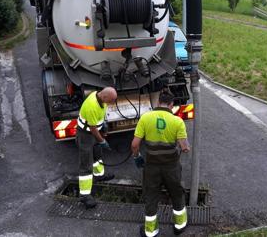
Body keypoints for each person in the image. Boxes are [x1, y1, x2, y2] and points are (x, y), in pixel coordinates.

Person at [131, 90, 190, 237]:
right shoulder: (177, 121)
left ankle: (151, 232)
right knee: (176, 193)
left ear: (158, 102)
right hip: (171, 166)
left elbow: (134, 145)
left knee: (151, 196)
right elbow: (185, 147)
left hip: (151, 166)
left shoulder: (145, 118)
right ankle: (179, 225)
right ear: (171, 105)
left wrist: (137, 156)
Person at [76, 87, 118, 209]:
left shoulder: (99, 97)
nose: (112, 103)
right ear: (104, 97)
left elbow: (100, 118)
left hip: (93, 133)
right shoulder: (92, 106)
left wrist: (104, 127)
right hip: (85, 135)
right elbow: (93, 128)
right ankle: (84, 196)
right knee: (86, 164)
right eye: (111, 100)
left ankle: (99, 175)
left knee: (97, 154)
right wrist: (102, 140)